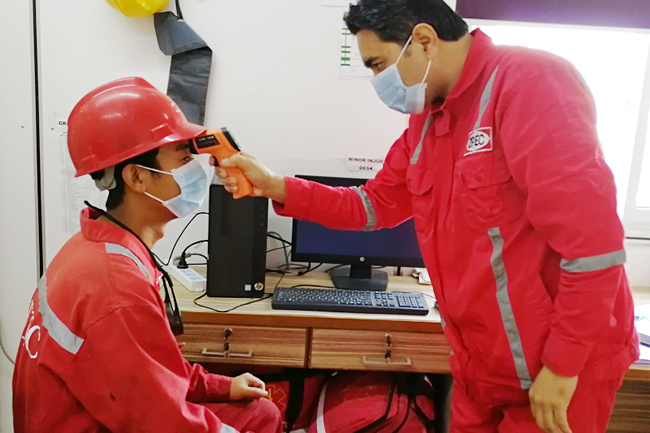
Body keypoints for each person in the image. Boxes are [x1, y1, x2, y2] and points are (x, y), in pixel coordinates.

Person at [214, 1, 640, 433]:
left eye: (378, 64)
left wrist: (563, 366)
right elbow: (371, 206)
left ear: (423, 40)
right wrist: (274, 185)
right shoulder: (428, 120)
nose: (378, 81)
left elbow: (593, 248)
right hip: (482, 365)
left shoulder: (530, 83)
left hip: (555, 369)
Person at [13, 77, 282, 433]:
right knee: (260, 418)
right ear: (137, 177)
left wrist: (220, 386)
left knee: (259, 412)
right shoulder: (116, 287)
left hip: (95, 413)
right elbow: (162, 422)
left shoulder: (96, 245)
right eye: (184, 158)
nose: (196, 170)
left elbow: (148, 367)